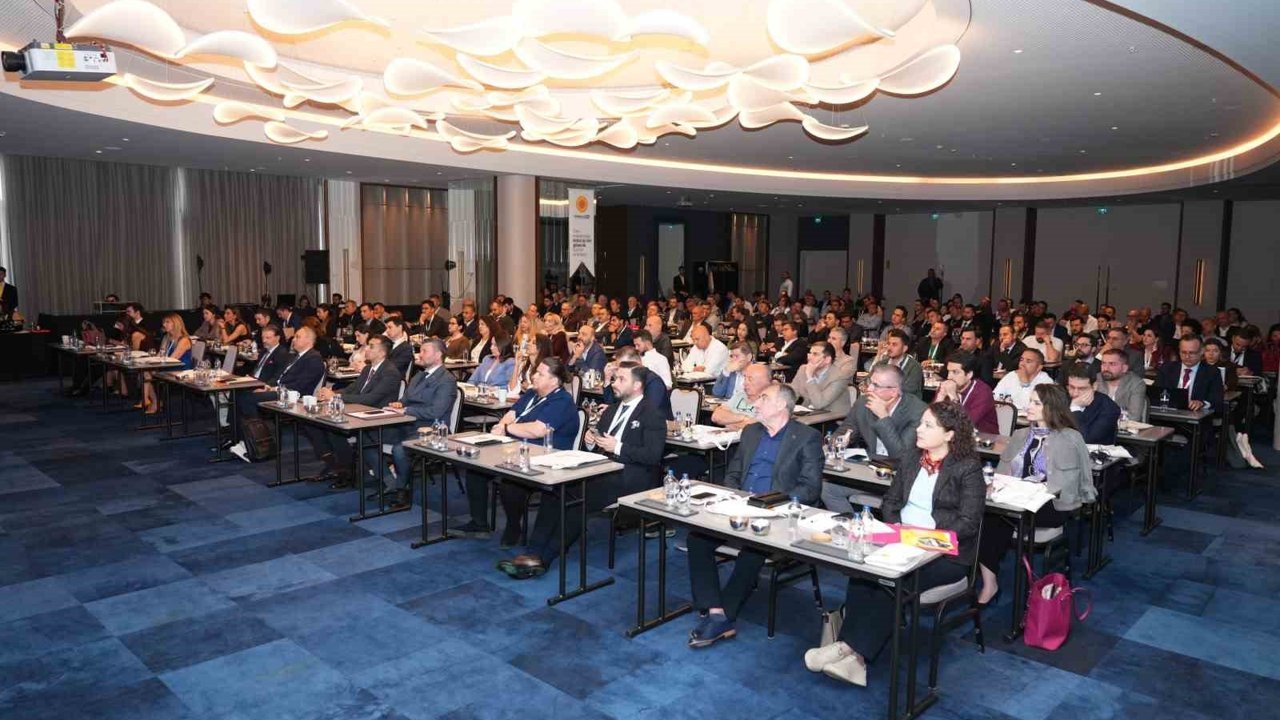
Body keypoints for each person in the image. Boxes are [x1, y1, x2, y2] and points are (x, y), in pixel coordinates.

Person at [806, 400, 985, 685]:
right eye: (921, 423)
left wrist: (925, 537)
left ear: (950, 434)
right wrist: (899, 527)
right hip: (901, 539)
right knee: (862, 569)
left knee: (890, 580)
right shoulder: (913, 458)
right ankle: (853, 656)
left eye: (928, 425)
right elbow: (890, 502)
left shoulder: (967, 467)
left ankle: (849, 652)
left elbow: (968, 522)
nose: (919, 429)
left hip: (944, 553)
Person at [499, 362, 668, 578]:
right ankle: (532, 552)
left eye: (621, 379)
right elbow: (600, 445)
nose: (614, 383)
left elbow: (653, 456)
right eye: (614, 378)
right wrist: (590, 442)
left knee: (577, 497)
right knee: (555, 490)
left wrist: (617, 447)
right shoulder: (612, 410)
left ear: (637, 385)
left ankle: (544, 558)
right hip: (601, 469)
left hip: (631, 476)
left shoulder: (652, 413)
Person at [686, 383, 823, 648]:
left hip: (776, 513)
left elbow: (810, 488)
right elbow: (733, 473)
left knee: (753, 549)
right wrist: (731, 498)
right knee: (697, 538)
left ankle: (725, 615)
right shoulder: (751, 432)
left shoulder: (807, 437)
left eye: (764, 398)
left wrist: (770, 504)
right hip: (739, 507)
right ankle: (714, 608)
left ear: (781, 405)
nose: (755, 403)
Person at [977, 384, 1097, 606]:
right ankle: (989, 583)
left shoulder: (1070, 438)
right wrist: (997, 486)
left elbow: (1078, 480)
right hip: (1016, 500)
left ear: (1052, 407)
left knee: (1000, 520)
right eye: (1030, 401)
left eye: (1036, 403)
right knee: (987, 517)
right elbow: (1003, 472)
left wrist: (1042, 490)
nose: (1028, 406)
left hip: (1053, 504)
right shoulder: (1020, 434)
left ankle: (1021, 590)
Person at [458, 357, 578, 545]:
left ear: (554, 381)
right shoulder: (532, 394)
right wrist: (502, 425)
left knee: (510, 484)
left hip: (545, 456)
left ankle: (513, 526)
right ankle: (479, 523)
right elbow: (511, 413)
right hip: (516, 449)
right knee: (475, 469)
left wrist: (507, 428)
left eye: (540, 374)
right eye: (535, 372)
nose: (534, 376)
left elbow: (538, 430)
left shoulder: (562, 401)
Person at [822, 364, 928, 512]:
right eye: (870, 382)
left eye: (876, 385)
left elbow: (901, 455)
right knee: (827, 489)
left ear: (894, 391)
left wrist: (883, 417)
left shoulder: (917, 411)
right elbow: (844, 431)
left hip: (899, 478)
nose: (869, 389)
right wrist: (836, 443)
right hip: (869, 469)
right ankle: (852, 522)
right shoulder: (863, 403)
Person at [303, 335, 402, 489]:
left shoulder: (390, 372)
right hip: (358, 412)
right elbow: (352, 389)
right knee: (313, 423)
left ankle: (347, 471)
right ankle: (335, 465)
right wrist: (330, 392)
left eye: (371, 346)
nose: (366, 349)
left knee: (334, 429)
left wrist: (336, 396)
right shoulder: (368, 369)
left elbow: (371, 399)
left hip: (376, 418)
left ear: (382, 352)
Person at [378, 338, 458, 509]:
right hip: (407, 423)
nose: (419, 355)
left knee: (400, 450)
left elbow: (436, 412)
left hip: (432, 429)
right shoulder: (419, 375)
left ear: (438, 355)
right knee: (369, 436)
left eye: (424, 351)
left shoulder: (446, 380)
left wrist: (406, 410)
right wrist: (398, 405)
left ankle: (402, 491)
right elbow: (405, 400)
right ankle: (389, 480)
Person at [229, 327, 327, 462]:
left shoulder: (313, 358)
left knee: (248, 399)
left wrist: (274, 389)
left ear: (308, 340)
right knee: (240, 394)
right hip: (281, 391)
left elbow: (300, 386)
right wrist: (269, 387)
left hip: (293, 396)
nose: (293, 339)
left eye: (298, 337)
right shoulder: (297, 356)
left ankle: (258, 443)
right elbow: (282, 378)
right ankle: (243, 439)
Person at [140, 314, 194, 414]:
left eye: (167, 322)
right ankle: (151, 401)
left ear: (176, 324)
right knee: (145, 372)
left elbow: (173, 359)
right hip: (169, 367)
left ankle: (149, 401)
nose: (164, 325)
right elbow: (160, 355)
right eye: (164, 322)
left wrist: (156, 363)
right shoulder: (167, 337)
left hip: (181, 370)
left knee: (148, 373)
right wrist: (149, 360)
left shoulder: (184, 340)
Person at [1155, 336, 1224, 413]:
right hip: (1167, 413)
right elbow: (1155, 394)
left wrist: (1202, 404)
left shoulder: (1212, 372)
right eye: (1183, 352)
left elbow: (1217, 401)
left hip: (1195, 416)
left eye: (1192, 353)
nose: (1187, 356)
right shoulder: (1166, 368)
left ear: (1201, 351)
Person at [936, 352, 998, 434]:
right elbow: (931, 418)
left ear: (969, 375)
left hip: (983, 438)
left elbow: (965, 424)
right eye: (948, 372)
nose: (949, 377)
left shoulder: (982, 391)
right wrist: (940, 396)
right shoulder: (947, 386)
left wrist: (954, 397)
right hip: (953, 435)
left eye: (955, 372)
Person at [790, 341, 853, 415]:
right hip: (807, 415)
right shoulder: (803, 369)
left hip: (832, 417)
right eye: (810, 353)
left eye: (815, 354)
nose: (809, 357)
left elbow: (819, 404)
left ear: (827, 360)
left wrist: (810, 378)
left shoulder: (840, 376)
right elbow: (792, 393)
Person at [1065, 366, 1120, 444]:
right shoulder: (1061, 400)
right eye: (1072, 387)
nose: (1075, 393)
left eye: (1082, 389)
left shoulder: (1109, 408)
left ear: (1094, 386)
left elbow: (1086, 439)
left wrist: (1075, 407)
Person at [711, 363, 771, 429]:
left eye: (750, 379)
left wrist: (729, 421)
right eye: (745, 378)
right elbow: (716, 416)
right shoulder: (740, 395)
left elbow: (757, 427)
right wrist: (744, 418)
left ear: (764, 382)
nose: (745, 383)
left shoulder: (770, 401)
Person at [1095, 348, 1146, 420]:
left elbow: (1134, 416)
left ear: (1124, 368)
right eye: (1103, 363)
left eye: (1112, 364)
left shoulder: (1136, 384)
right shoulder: (1096, 379)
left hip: (1124, 426)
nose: (1106, 368)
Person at [873, 328, 924, 399]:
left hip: (906, 403)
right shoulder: (881, 364)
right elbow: (866, 382)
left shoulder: (914, 367)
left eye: (894, 345)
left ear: (904, 348)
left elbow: (908, 391)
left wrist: (882, 390)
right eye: (888, 343)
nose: (889, 348)